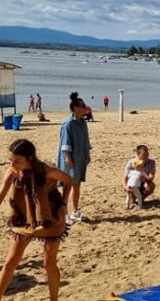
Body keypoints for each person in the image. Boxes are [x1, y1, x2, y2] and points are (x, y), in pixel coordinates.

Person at [0, 139, 72, 301]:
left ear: (30, 158)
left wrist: (63, 204)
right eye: (10, 160)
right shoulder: (12, 173)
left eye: (17, 161)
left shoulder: (47, 170)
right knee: (10, 262)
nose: (12, 164)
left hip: (50, 216)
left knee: (49, 264)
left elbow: (69, 181)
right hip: (23, 217)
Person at [57, 92, 92, 224]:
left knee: (77, 185)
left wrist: (87, 155)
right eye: (82, 106)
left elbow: (86, 140)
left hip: (80, 157)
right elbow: (65, 143)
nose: (85, 108)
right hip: (70, 160)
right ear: (75, 108)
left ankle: (75, 211)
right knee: (67, 187)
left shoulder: (83, 123)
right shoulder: (68, 124)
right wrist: (68, 158)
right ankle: (64, 214)